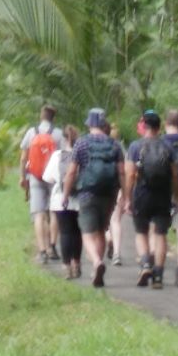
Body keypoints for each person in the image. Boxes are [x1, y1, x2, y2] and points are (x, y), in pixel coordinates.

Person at [127, 110, 178, 289]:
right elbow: (175, 175)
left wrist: (127, 198)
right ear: (159, 128)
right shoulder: (168, 147)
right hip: (163, 196)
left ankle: (145, 265)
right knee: (160, 235)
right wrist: (175, 196)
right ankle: (158, 276)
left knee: (141, 233)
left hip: (142, 195)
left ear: (144, 126)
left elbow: (130, 175)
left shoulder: (135, 146)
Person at [67, 107, 128, 288]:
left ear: (89, 124)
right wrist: (126, 195)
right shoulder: (115, 145)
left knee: (87, 233)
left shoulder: (81, 143)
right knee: (101, 230)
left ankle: (96, 262)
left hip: (87, 193)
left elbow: (71, 172)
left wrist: (65, 193)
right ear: (103, 124)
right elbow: (122, 172)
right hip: (109, 194)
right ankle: (97, 271)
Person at [17, 105, 65, 261]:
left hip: (35, 177)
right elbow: (64, 157)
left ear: (41, 116)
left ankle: (42, 251)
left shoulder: (31, 132)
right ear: (53, 118)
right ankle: (52, 247)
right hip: (53, 178)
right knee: (54, 212)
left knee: (38, 214)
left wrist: (22, 177)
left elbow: (23, 158)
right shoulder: (58, 134)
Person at [44, 132, 86, 280]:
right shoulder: (83, 155)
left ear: (64, 140)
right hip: (79, 199)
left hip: (60, 198)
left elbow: (47, 177)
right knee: (77, 232)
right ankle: (76, 263)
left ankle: (66, 266)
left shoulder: (57, 155)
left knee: (65, 232)